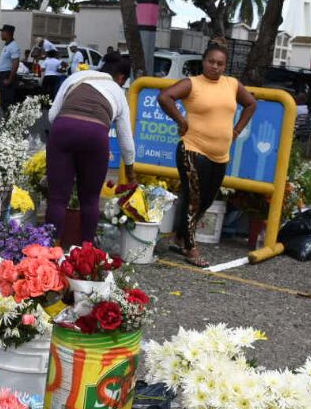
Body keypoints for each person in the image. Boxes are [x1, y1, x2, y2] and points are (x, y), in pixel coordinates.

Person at [159, 41, 258, 267]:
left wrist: (237, 130)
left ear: (225, 66)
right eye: (211, 62)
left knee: (206, 201)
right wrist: (181, 120)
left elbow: (251, 104)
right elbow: (165, 97)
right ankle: (191, 249)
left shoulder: (232, 84)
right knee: (193, 199)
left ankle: (179, 237)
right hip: (193, 150)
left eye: (220, 63)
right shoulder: (192, 84)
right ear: (203, 62)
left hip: (220, 154)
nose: (215, 66)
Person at [45, 54, 137, 248]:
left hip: (62, 130)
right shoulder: (118, 92)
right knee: (90, 199)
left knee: (57, 198)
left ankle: (49, 250)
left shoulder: (76, 77)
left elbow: (53, 115)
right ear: (121, 78)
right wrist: (130, 172)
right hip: (95, 135)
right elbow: (126, 139)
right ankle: (86, 251)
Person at [0, 24, 21, 114]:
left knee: (8, 103)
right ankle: (7, 120)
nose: (1, 34)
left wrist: (10, 79)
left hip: (7, 75)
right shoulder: (7, 46)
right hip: (2, 75)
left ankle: (10, 121)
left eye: (2, 32)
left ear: (8, 33)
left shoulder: (13, 46)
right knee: (4, 103)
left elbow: (15, 64)